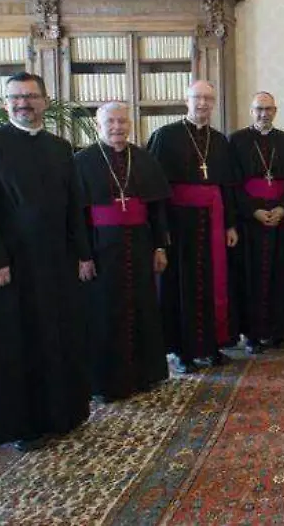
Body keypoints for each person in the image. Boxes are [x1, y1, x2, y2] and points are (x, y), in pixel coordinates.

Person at [0, 72, 92, 451]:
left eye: (31, 96)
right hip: (11, 270)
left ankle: (63, 414)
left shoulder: (60, 147)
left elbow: (74, 207)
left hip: (56, 265)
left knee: (58, 338)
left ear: (45, 102)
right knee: (21, 345)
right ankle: (25, 426)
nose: (24, 103)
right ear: (6, 104)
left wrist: (83, 254)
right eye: (16, 97)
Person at [75, 102, 171, 402]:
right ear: (98, 125)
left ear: (130, 124)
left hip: (141, 245)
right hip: (101, 248)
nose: (117, 127)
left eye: (122, 121)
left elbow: (157, 209)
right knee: (104, 312)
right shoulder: (81, 161)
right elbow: (75, 215)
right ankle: (106, 383)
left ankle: (146, 374)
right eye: (111, 122)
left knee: (143, 306)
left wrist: (159, 246)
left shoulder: (143, 158)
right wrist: (83, 255)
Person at [147, 80, 239, 374]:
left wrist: (230, 225)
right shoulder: (165, 136)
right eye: (197, 98)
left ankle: (210, 346)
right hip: (178, 224)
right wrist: (161, 232)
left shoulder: (220, 140)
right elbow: (155, 190)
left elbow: (228, 186)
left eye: (208, 99)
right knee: (179, 285)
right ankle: (181, 351)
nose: (202, 104)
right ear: (186, 100)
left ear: (214, 103)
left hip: (212, 221)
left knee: (212, 283)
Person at [229, 92, 284, 354]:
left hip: (280, 221)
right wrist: (254, 211)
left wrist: (283, 208)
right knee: (249, 276)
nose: (264, 114)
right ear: (252, 111)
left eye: (268, 109)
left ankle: (278, 331)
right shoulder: (236, 141)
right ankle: (251, 334)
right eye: (259, 109)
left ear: (276, 111)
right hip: (250, 224)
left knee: (280, 274)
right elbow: (232, 184)